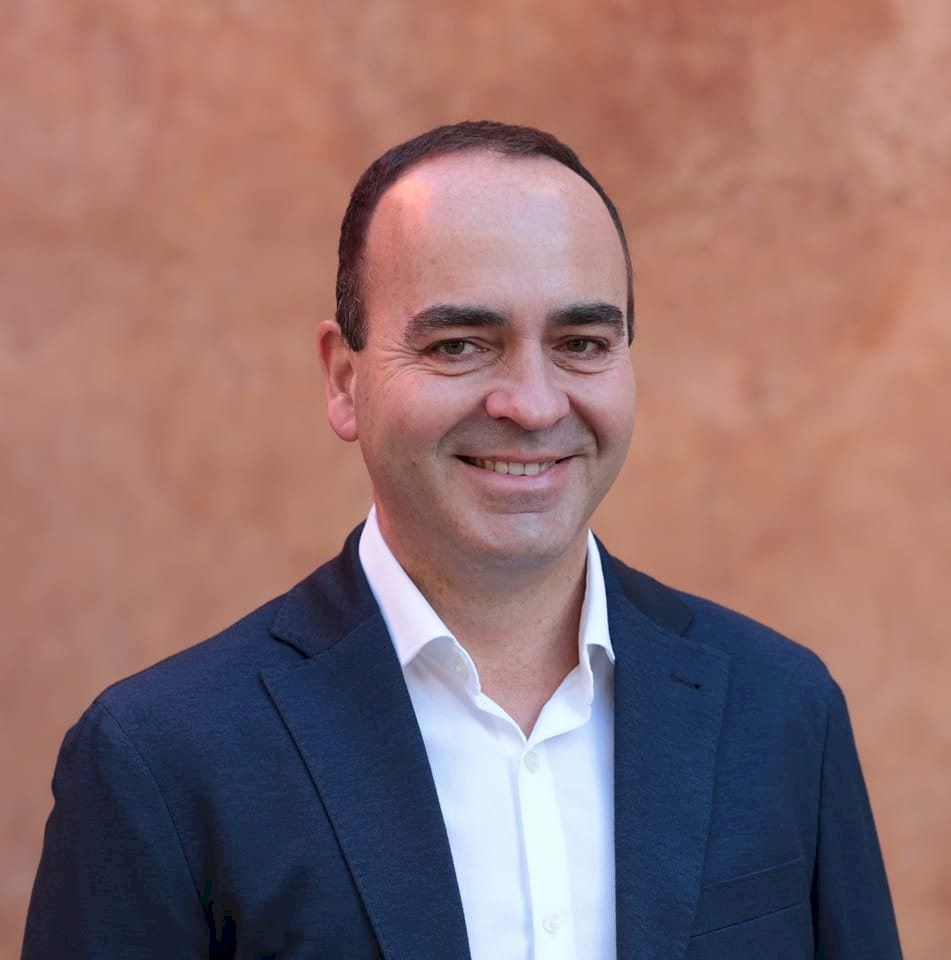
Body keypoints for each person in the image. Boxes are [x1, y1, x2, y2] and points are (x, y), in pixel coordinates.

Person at [22, 121, 902, 959]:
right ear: (343, 379)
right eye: (457, 346)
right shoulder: (160, 761)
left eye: (581, 342)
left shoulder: (782, 710)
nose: (534, 404)